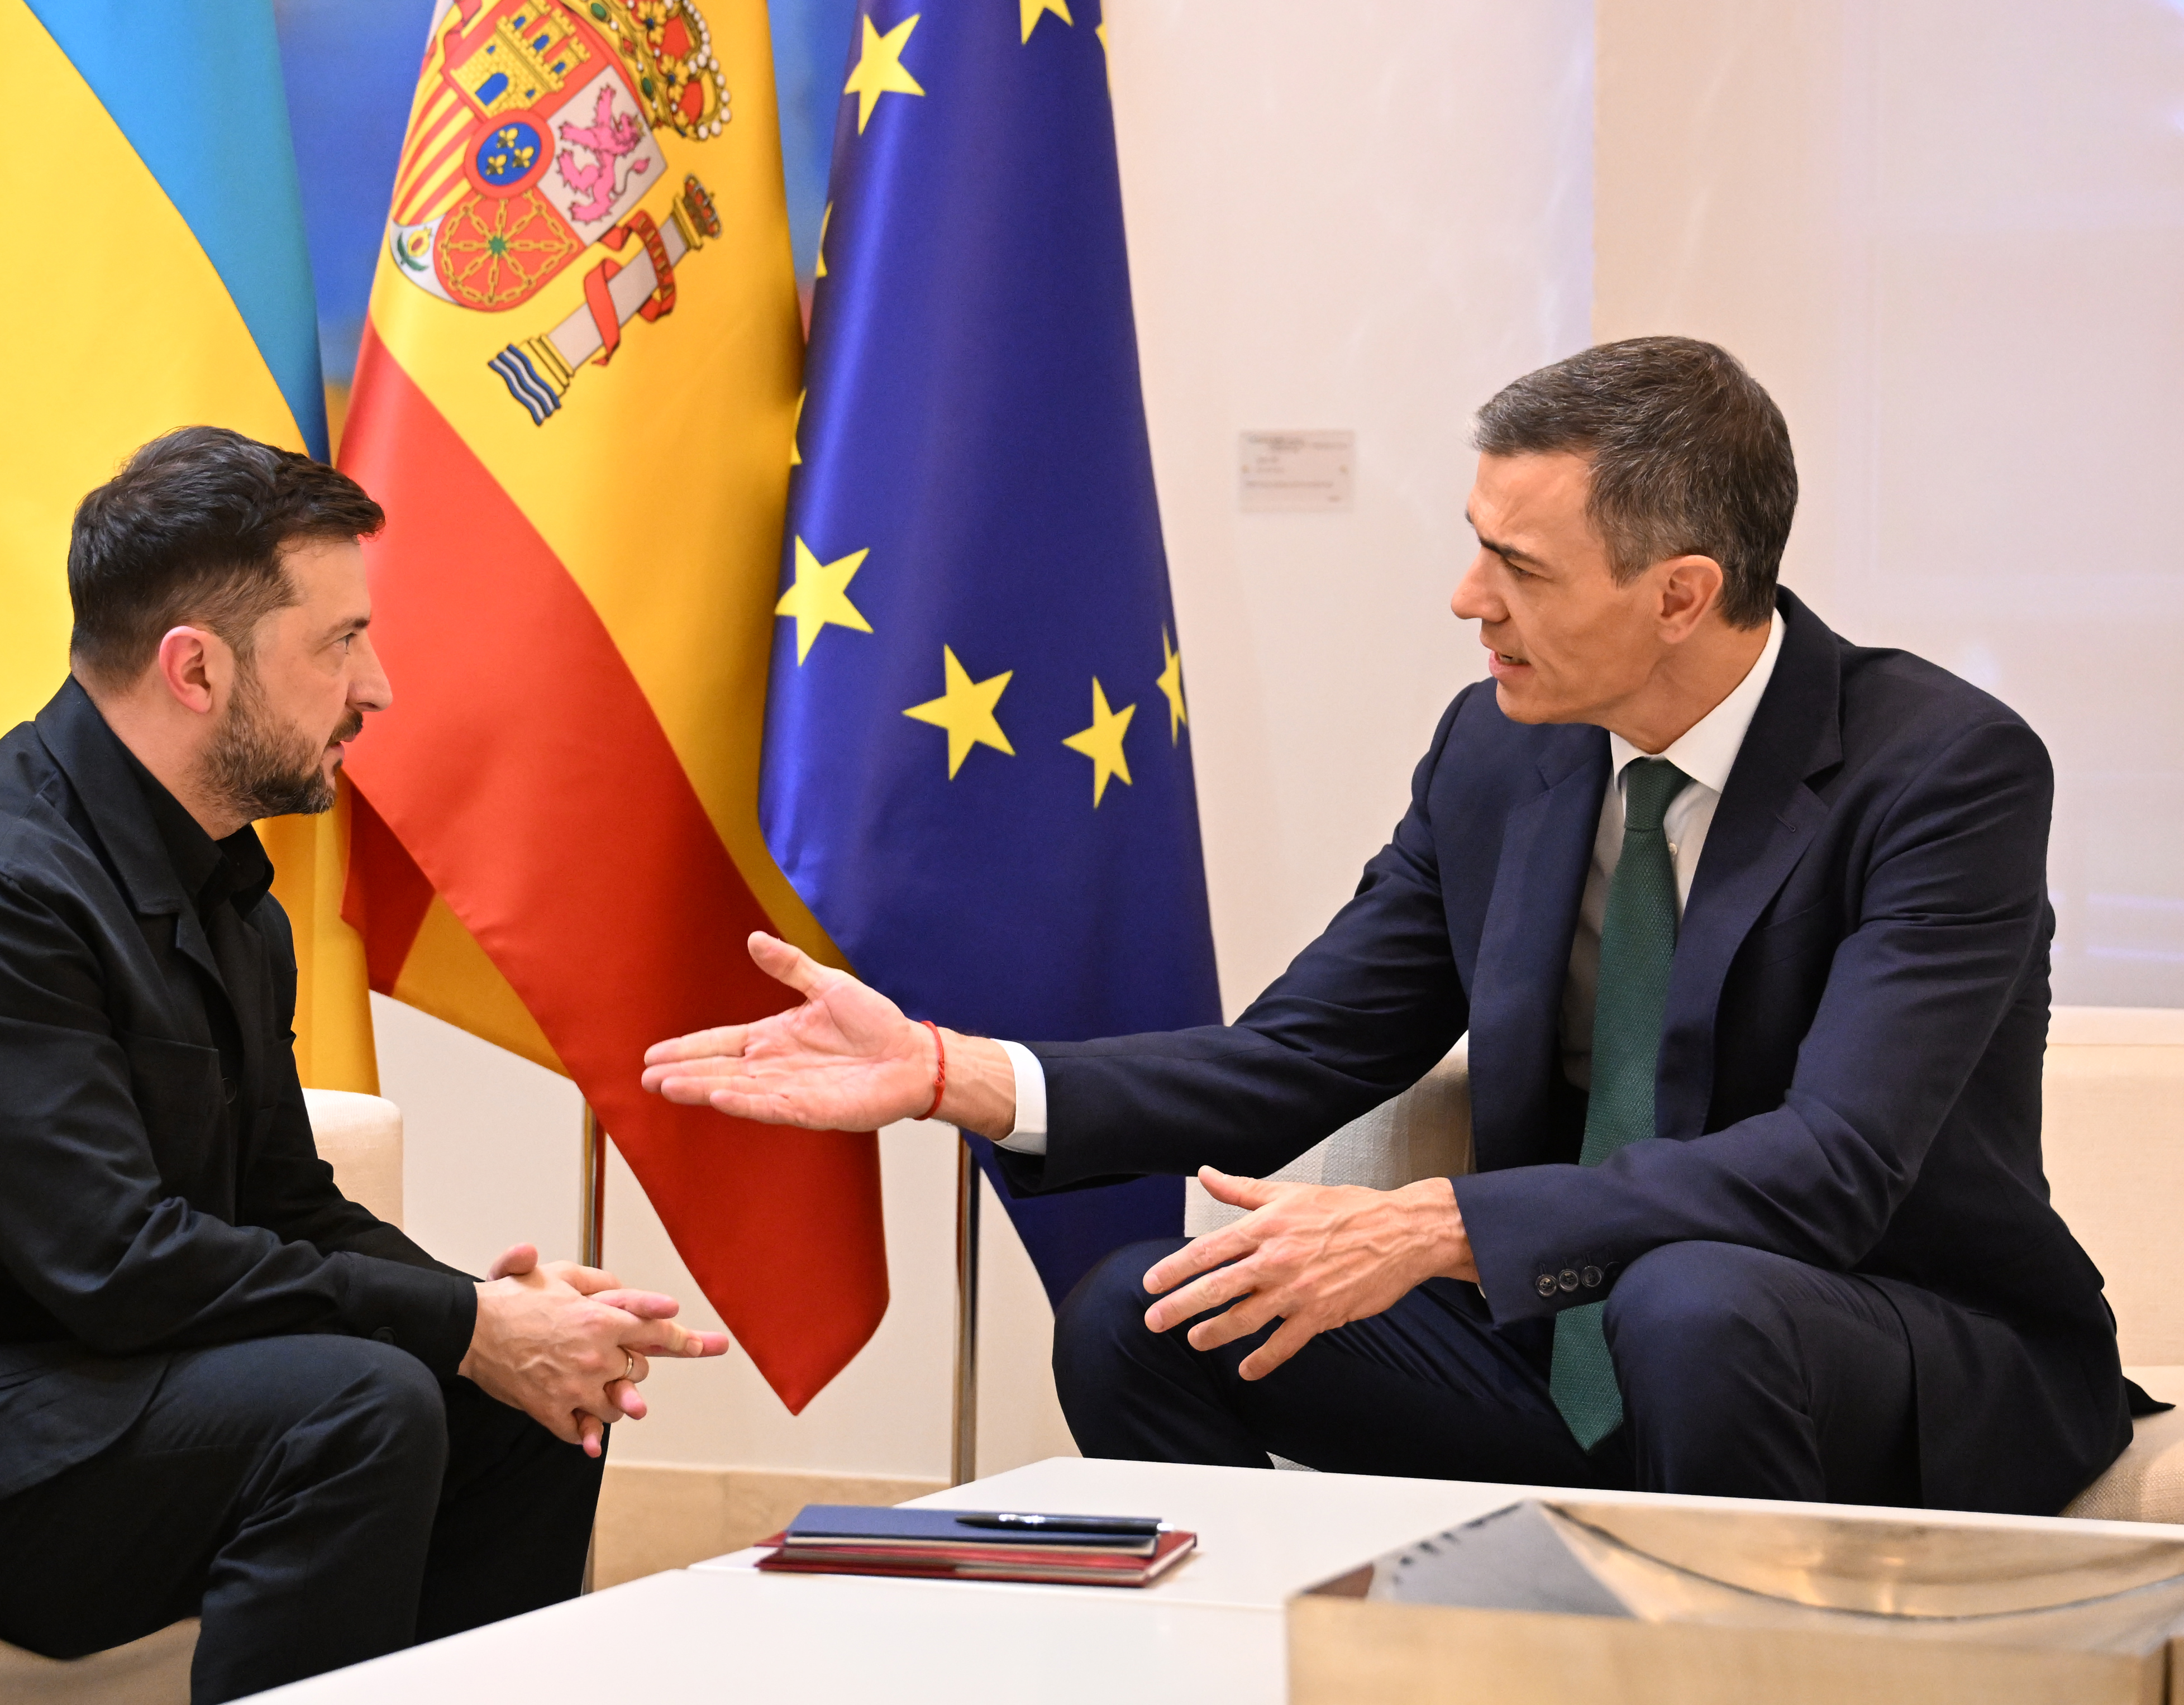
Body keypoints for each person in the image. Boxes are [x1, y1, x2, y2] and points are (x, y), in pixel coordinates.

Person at [642, 336, 2141, 1516]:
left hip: (1885, 1346)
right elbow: (1300, 1052)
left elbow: (1836, 1168)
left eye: (1523, 569)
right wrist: (953, 1070)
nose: (1466, 598)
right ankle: (1276, 1703)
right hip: (1575, 1351)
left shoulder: (1941, 768)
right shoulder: (1499, 752)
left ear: (1682, 593)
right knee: (1145, 1313)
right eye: (1478, 541)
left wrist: (1443, 1229)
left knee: (1695, 1301)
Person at [0, 426, 726, 1705]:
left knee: (520, 1410)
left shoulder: (220, 885)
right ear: (197, 667)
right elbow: (119, 1264)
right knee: (359, 1402)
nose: (375, 686)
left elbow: (280, 1203)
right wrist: (465, 1322)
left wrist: (508, 1328)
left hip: (80, 1385)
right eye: (338, 643)